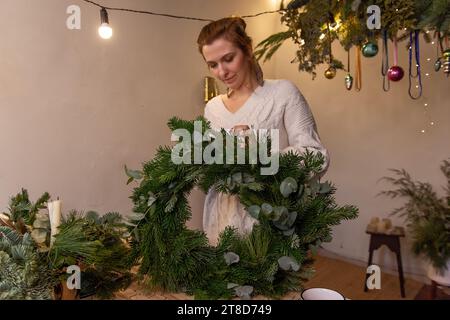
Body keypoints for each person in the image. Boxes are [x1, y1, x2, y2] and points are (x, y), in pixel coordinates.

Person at [197, 17, 330, 246]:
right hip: (221, 224)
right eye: (213, 64)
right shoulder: (213, 109)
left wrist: (260, 155)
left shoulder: (282, 93)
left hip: (271, 223)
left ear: (247, 50)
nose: (222, 72)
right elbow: (211, 170)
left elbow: (316, 156)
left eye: (228, 59)